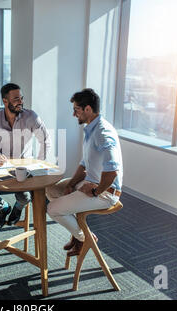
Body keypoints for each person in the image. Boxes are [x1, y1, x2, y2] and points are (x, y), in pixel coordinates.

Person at [46, 88, 123, 256]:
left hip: (106, 193)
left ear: (88, 109)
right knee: (53, 190)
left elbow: (112, 171)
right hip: (89, 182)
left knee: (52, 209)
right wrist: (72, 184)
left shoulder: (103, 133)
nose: (74, 114)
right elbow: (84, 164)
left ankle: (84, 238)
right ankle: (76, 233)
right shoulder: (91, 129)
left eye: (76, 110)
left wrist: (95, 191)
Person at [0, 83, 51, 231]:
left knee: (25, 197)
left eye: (21, 98)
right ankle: (3, 207)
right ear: (5, 101)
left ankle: (18, 208)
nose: (20, 102)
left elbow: (45, 141)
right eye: (16, 99)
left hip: (24, 167)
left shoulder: (31, 117)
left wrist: (38, 163)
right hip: (2, 167)